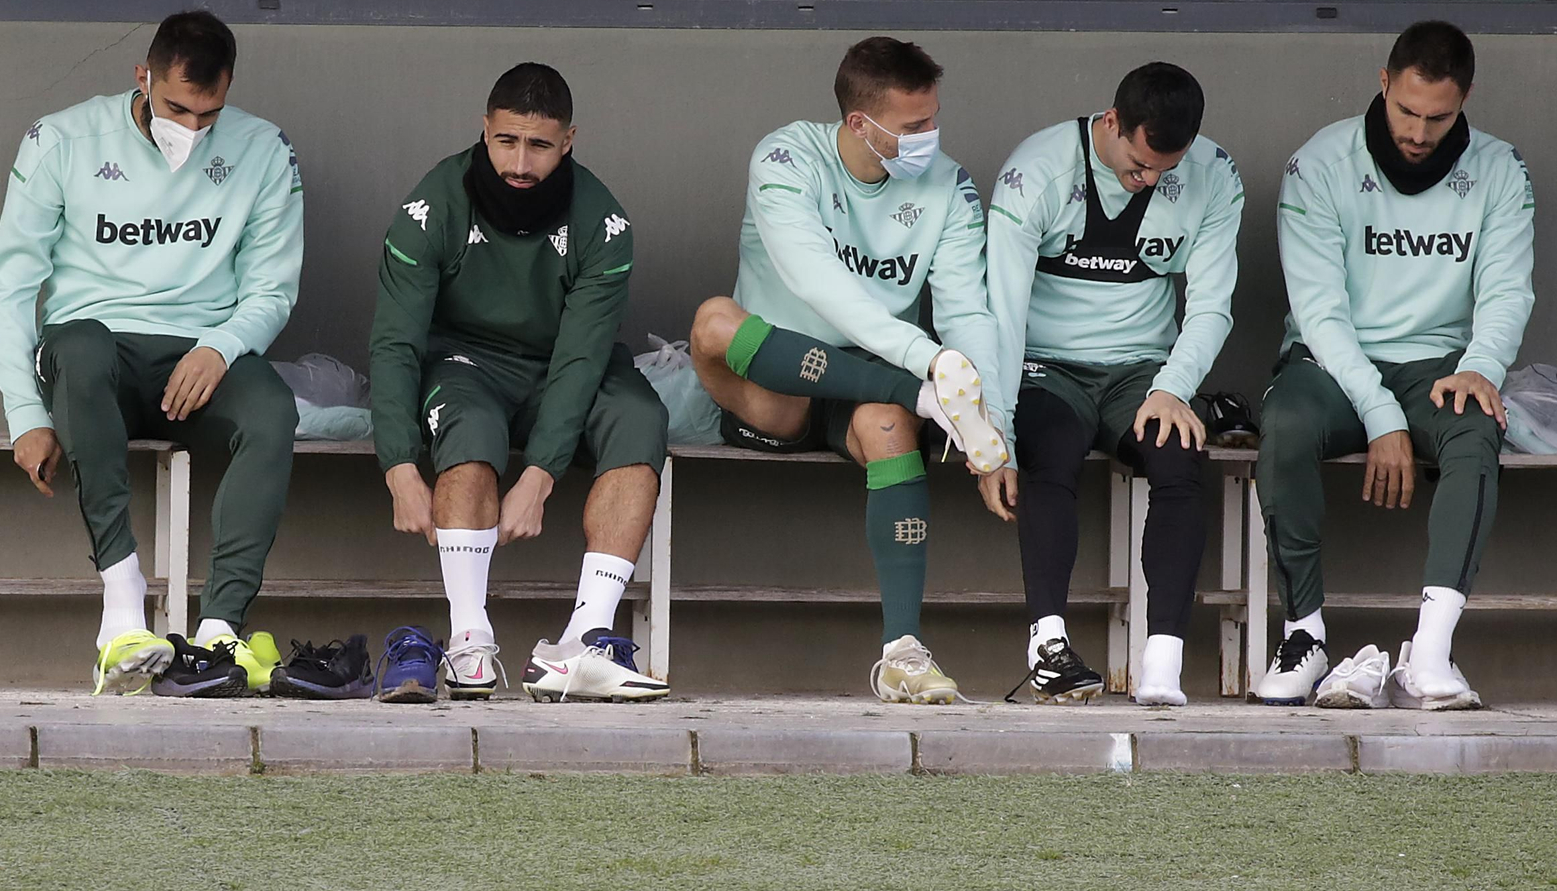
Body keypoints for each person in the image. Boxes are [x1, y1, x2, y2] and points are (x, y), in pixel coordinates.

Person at [0, 11, 304, 697]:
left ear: (229, 91)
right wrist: (22, 415)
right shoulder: (62, 138)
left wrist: (220, 347)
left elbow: (272, 288)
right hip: (92, 356)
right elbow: (9, 281)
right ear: (142, 77)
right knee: (84, 348)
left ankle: (219, 631)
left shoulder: (264, 149)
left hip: (200, 357)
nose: (189, 128)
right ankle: (123, 610)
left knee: (273, 408)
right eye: (175, 107)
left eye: (207, 112)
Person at [689, 36, 1007, 705]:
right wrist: (929, 373)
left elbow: (968, 311)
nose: (931, 137)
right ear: (861, 124)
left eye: (934, 119)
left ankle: (903, 653)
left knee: (891, 427)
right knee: (714, 321)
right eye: (915, 126)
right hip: (778, 381)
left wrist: (990, 425)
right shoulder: (785, 157)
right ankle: (918, 399)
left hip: (873, 379)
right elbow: (817, 283)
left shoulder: (948, 184)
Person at [370, 62, 670, 704]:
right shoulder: (433, 205)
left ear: (568, 140)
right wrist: (398, 463)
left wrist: (539, 476)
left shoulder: (602, 219)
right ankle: (469, 641)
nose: (521, 162)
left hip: (562, 363)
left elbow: (581, 359)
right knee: (470, 429)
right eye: (507, 140)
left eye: (539, 144)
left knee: (641, 418)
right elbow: (395, 340)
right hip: (467, 361)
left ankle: (585, 641)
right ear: (484, 130)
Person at [1257, 20, 1533, 710]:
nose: (1417, 130)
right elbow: (1319, 312)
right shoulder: (1319, 163)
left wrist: (1482, 367)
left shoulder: (1500, 168)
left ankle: (1431, 653)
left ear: (1465, 99)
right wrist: (1382, 417)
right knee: (1284, 427)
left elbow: (1506, 290)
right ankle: (1305, 636)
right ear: (1383, 83)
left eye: (1437, 117)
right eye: (1407, 109)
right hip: (1331, 361)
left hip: (1437, 365)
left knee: (1476, 429)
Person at [987, 62, 1242, 706]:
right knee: (1048, 453)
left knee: (1180, 454)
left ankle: (1163, 661)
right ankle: (1048, 647)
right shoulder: (1037, 170)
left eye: (1165, 169)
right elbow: (1003, 310)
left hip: (1143, 372)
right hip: (1046, 364)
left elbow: (1212, 304)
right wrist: (997, 432)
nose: (1149, 180)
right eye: (1138, 163)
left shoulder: (1214, 175)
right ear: (1111, 122)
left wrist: (1173, 388)